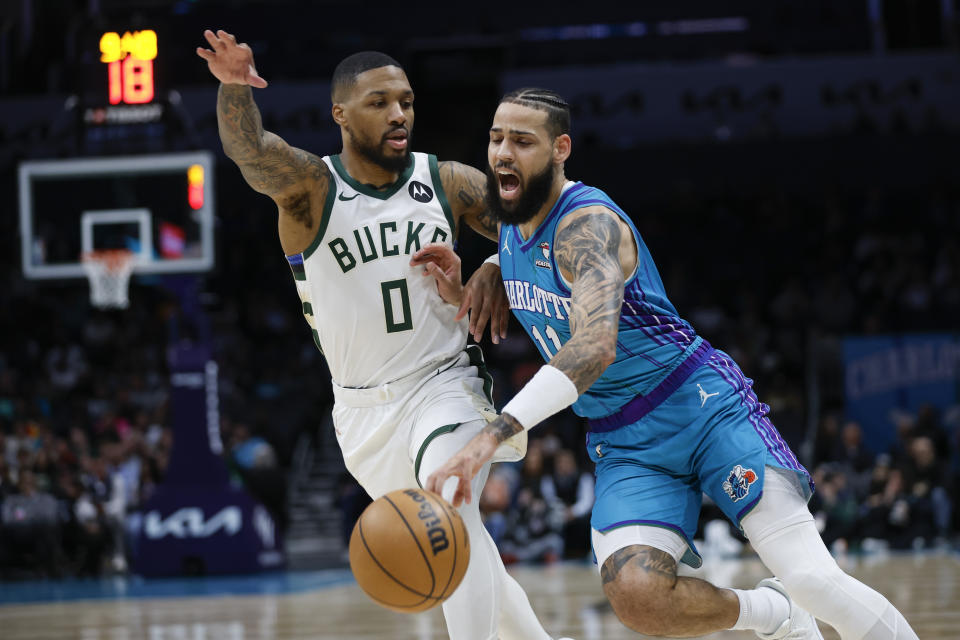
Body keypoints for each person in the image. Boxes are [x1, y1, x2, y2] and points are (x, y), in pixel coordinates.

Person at [420, 88, 919, 639]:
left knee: (811, 578)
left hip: (700, 405)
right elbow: (502, 231)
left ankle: (802, 600)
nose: (503, 153)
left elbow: (594, 347)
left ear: (561, 148)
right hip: (625, 442)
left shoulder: (587, 227)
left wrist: (490, 436)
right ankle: (773, 615)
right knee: (638, 596)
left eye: (522, 140)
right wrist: (483, 272)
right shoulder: (510, 216)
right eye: (495, 138)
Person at [195, 31, 569, 640]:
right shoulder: (312, 189)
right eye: (380, 102)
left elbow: (534, 217)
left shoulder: (445, 180)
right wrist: (234, 88)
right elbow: (252, 150)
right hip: (362, 412)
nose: (399, 114)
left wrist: (497, 264)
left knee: (452, 498)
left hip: (443, 383)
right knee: (467, 555)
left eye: (407, 101)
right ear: (340, 113)